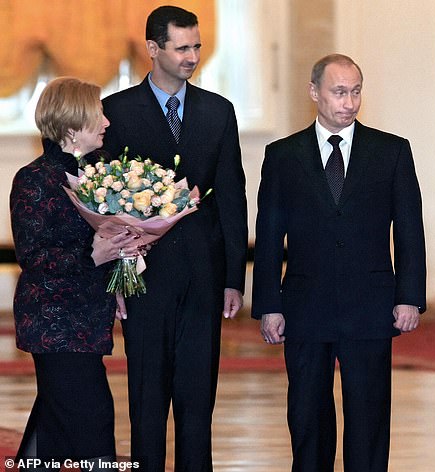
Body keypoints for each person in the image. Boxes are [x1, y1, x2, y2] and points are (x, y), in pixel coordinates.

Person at [251, 53, 426, 472]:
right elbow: (270, 236)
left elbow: (409, 231)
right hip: (304, 306)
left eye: (356, 91)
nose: (349, 102)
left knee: (368, 417)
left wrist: (410, 297)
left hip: (371, 304)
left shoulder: (392, 152)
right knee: (307, 416)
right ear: (314, 92)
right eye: (339, 92)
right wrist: (269, 304)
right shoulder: (282, 155)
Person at [101, 5, 248, 471]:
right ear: (153, 49)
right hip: (143, 278)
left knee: (197, 395)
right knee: (146, 397)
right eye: (182, 47)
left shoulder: (218, 111)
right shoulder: (115, 112)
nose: (192, 57)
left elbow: (233, 198)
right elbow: (103, 204)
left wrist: (233, 278)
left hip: (204, 278)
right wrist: (116, 281)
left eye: (197, 47)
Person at [10, 77, 142, 470]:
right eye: (97, 114)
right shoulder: (34, 178)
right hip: (53, 322)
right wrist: (93, 256)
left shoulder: (99, 174)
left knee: (53, 422)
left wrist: (120, 270)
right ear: (72, 126)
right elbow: (33, 257)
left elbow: (109, 240)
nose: (106, 122)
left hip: (87, 318)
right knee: (92, 422)